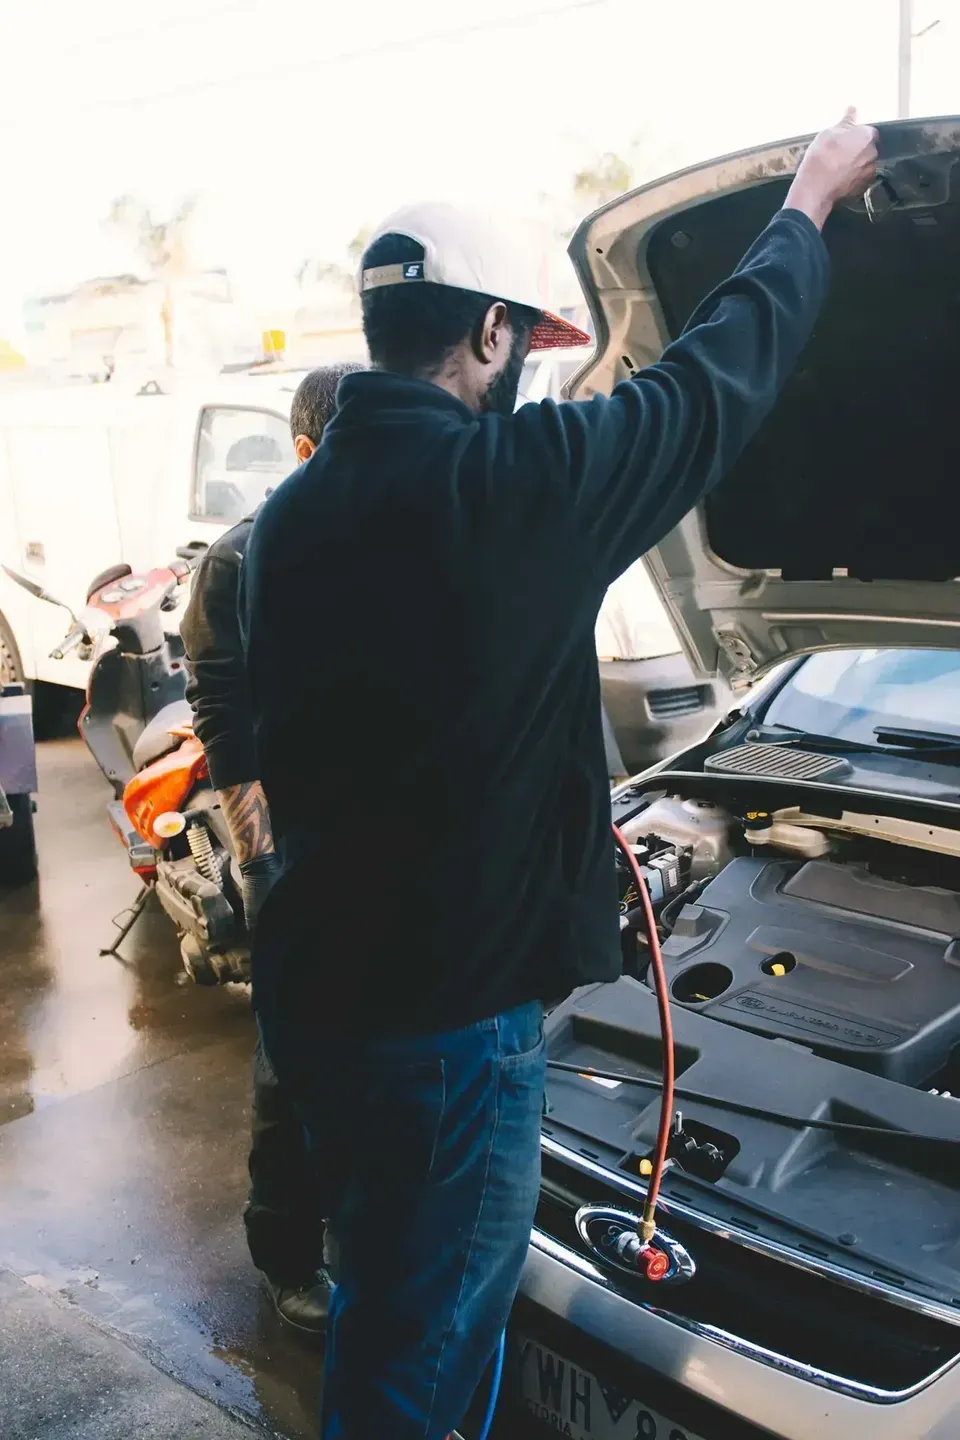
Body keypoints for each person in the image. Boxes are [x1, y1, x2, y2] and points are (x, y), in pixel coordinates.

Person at [241, 112, 877, 1438]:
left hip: (324, 1000)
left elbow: (399, 732)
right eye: (522, 344)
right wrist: (809, 201)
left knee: (387, 1303)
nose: (525, 370)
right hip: (444, 1028)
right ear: (487, 339)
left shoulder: (297, 515)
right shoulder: (512, 488)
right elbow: (715, 384)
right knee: (423, 1355)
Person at [180, 362, 363, 1334]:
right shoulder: (239, 563)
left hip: (380, 849)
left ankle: (361, 1227)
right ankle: (288, 1258)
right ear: (304, 453)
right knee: (291, 1065)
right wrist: (261, 865)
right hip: (289, 852)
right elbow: (226, 722)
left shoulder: (381, 544)